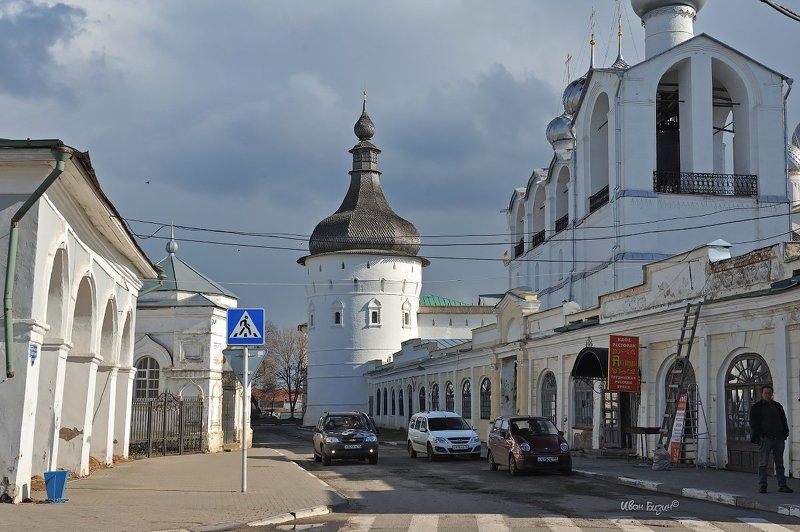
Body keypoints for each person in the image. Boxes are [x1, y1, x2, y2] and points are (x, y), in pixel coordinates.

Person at [749, 385, 793, 493]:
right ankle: (762, 485)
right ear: (762, 394)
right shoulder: (757, 407)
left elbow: (783, 420)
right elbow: (753, 423)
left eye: (770, 393)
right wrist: (761, 435)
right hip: (766, 439)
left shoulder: (778, 406)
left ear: (772, 394)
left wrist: (785, 433)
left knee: (779, 463)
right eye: (766, 393)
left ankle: (782, 485)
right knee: (763, 463)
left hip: (779, 439)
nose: (768, 395)